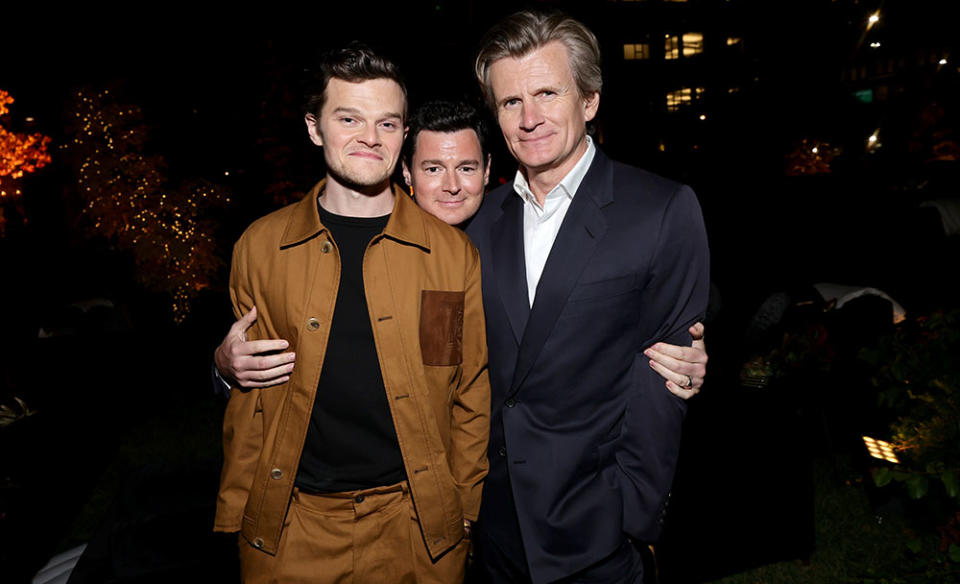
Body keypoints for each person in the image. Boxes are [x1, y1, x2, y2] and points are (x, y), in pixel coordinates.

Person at [213, 44, 489, 583]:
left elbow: (462, 389)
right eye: (350, 118)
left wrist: (461, 509)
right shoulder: (261, 247)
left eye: (387, 123)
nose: (370, 137)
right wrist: (223, 369)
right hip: (291, 527)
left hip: (417, 528)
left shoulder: (448, 255)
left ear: (404, 135)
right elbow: (248, 403)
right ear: (315, 128)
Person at [215, 101, 708, 398]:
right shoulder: (363, 246)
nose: (452, 186)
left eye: (467, 168)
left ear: (489, 167)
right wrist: (225, 368)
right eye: (432, 169)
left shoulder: (519, 225)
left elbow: (621, 293)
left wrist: (686, 351)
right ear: (405, 174)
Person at [465, 11, 710, 583]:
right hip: (492, 527)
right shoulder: (479, 221)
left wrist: (630, 516)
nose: (529, 119)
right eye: (509, 102)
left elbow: (664, 379)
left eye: (547, 93)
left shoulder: (661, 210)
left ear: (590, 101)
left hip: (596, 531)